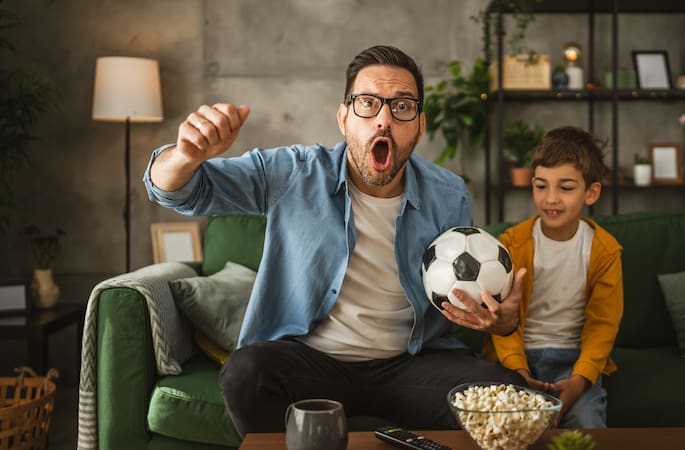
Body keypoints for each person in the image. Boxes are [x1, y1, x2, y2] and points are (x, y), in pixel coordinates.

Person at [143, 45, 526, 435]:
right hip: (312, 363)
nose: (384, 120)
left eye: (402, 106)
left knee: (509, 395)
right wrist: (185, 156)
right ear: (344, 118)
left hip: (408, 365)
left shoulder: (449, 194)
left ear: (420, 125)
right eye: (368, 103)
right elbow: (176, 191)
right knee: (246, 374)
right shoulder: (293, 172)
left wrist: (502, 321)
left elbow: (462, 292)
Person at [481, 126, 623, 428]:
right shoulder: (511, 245)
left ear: (592, 192)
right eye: (541, 186)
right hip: (518, 360)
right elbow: (502, 321)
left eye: (566, 188)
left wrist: (580, 379)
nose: (551, 199)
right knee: (507, 426)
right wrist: (518, 371)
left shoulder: (605, 251)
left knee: (587, 423)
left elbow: (603, 326)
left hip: (574, 362)